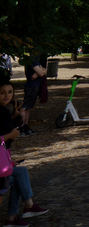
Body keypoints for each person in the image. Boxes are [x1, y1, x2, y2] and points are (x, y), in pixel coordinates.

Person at [0, 79, 49, 222]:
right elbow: (5, 135)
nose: (7, 96)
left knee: (21, 173)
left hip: (2, 162)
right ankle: (21, 211)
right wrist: (9, 135)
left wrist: (14, 116)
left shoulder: (4, 111)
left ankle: (21, 211)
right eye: (2, 93)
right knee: (18, 177)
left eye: (10, 92)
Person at [19, 55, 46, 136]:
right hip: (31, 86)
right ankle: (21, 127)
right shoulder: (32, 60)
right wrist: (40, 72)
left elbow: (44, 70)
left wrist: (39, 72)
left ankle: (26, 125)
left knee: (29, 107)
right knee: (25, 107)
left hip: (35, 86)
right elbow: (42, 73)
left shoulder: (36, 60)